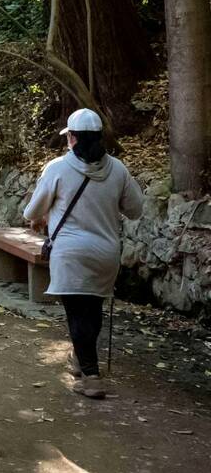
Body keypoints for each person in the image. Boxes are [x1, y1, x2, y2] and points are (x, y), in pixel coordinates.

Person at [24, 108, 144, 399]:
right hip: (106, 253)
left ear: (72, 139)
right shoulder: (118, 169)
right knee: (92, 309)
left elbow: (31, 212)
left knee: (77, 313)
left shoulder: (57, 168)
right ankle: (82, 359)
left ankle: (91, 376)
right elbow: (135, 209)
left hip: (70, 253)